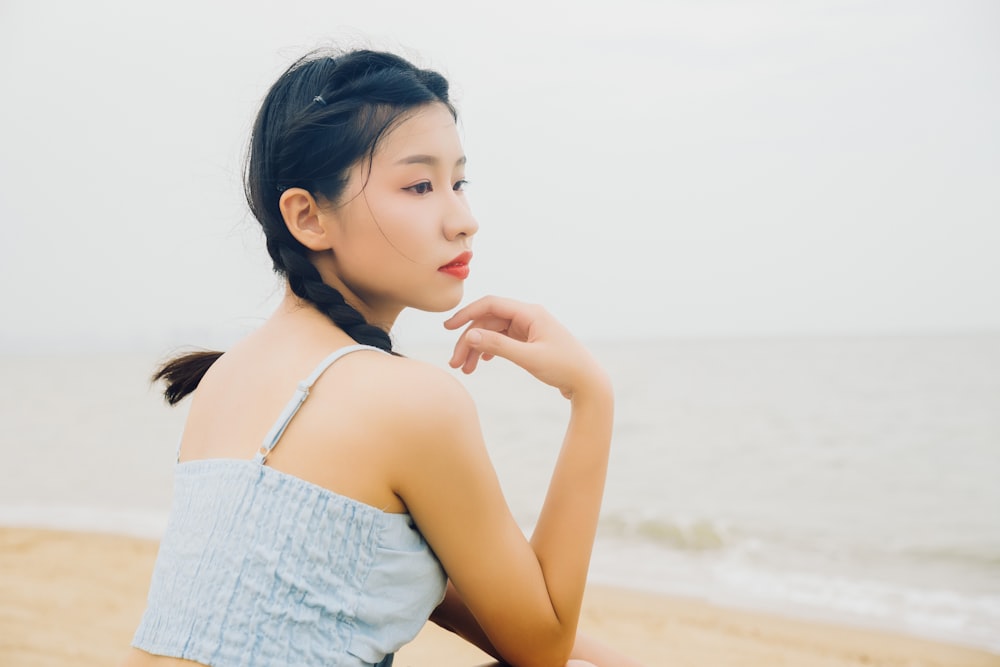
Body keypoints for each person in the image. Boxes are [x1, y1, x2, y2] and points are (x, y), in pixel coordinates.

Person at [121, 47, 643, 667]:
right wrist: (591, 396)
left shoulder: (226, 379)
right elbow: (542, 645)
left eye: (459, 182)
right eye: (420, 185)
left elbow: (488, 610)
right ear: (309, 217)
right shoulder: (406, 401)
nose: (463, 220)